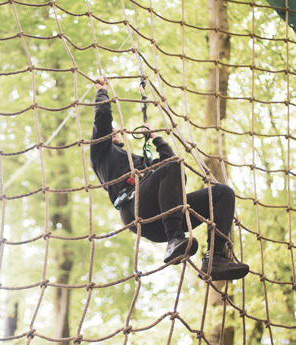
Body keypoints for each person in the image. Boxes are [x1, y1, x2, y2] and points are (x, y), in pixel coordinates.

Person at [89, 76, 249, 281]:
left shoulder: (138, 161)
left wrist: (156, 139)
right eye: (111, 130)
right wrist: (101, 91)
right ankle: (175, 239)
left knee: (222, 193)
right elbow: (102, 116)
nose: (115, 131)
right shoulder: (101, 153)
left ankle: (215, 258)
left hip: (166, 212)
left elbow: (175, 167)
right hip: (136, 209)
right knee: (170, 167)